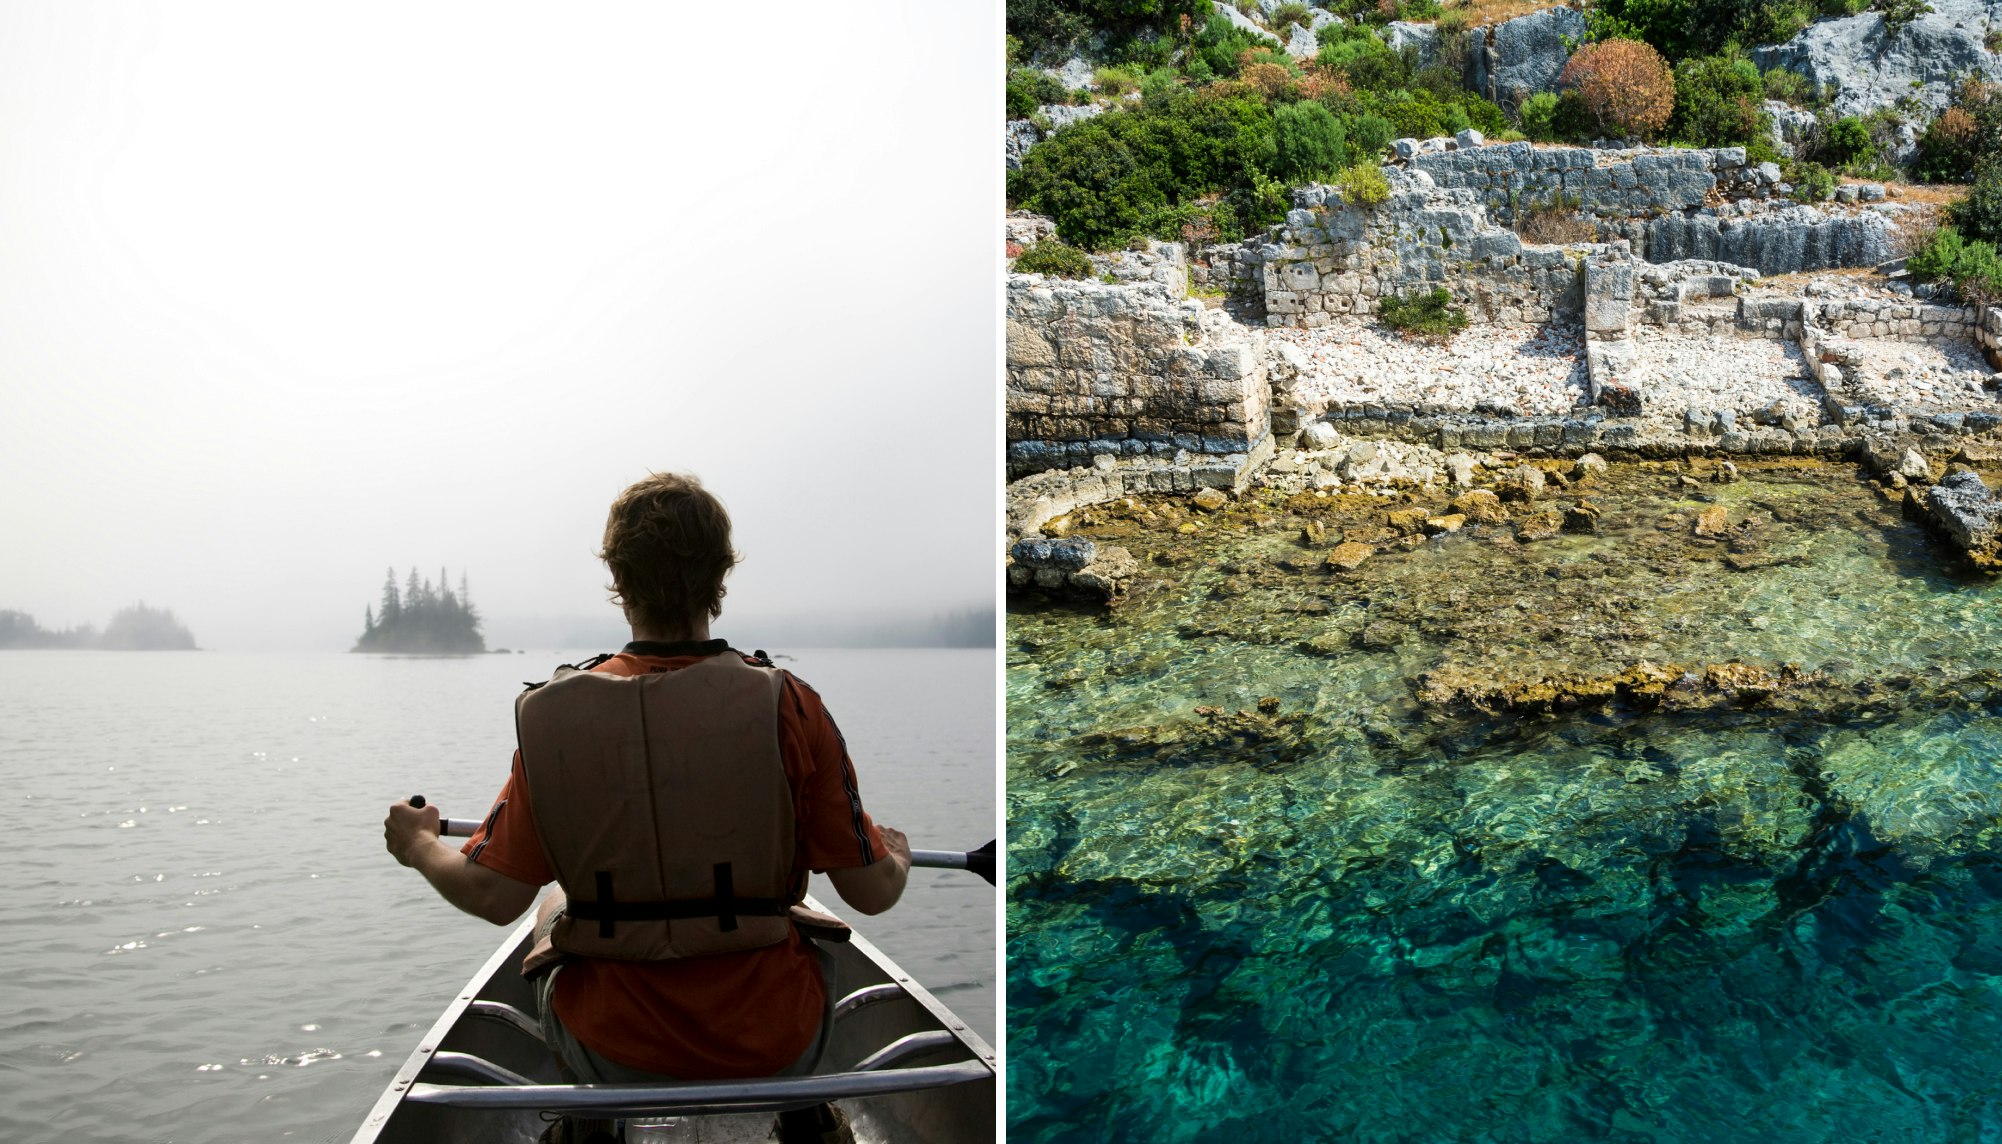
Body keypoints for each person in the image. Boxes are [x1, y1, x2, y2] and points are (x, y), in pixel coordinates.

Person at [383, 471, 911, 1144]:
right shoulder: (791, 705)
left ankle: (590, 1125)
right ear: (720, 575)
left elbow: (493, 896)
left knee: (552, 906)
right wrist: (893, 856)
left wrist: (421, 846)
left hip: (610, 1052)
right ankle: (802, 1114)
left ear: (617, 576)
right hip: (777, 1043)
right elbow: (868, 893)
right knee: (807, 916)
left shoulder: (552, 717)